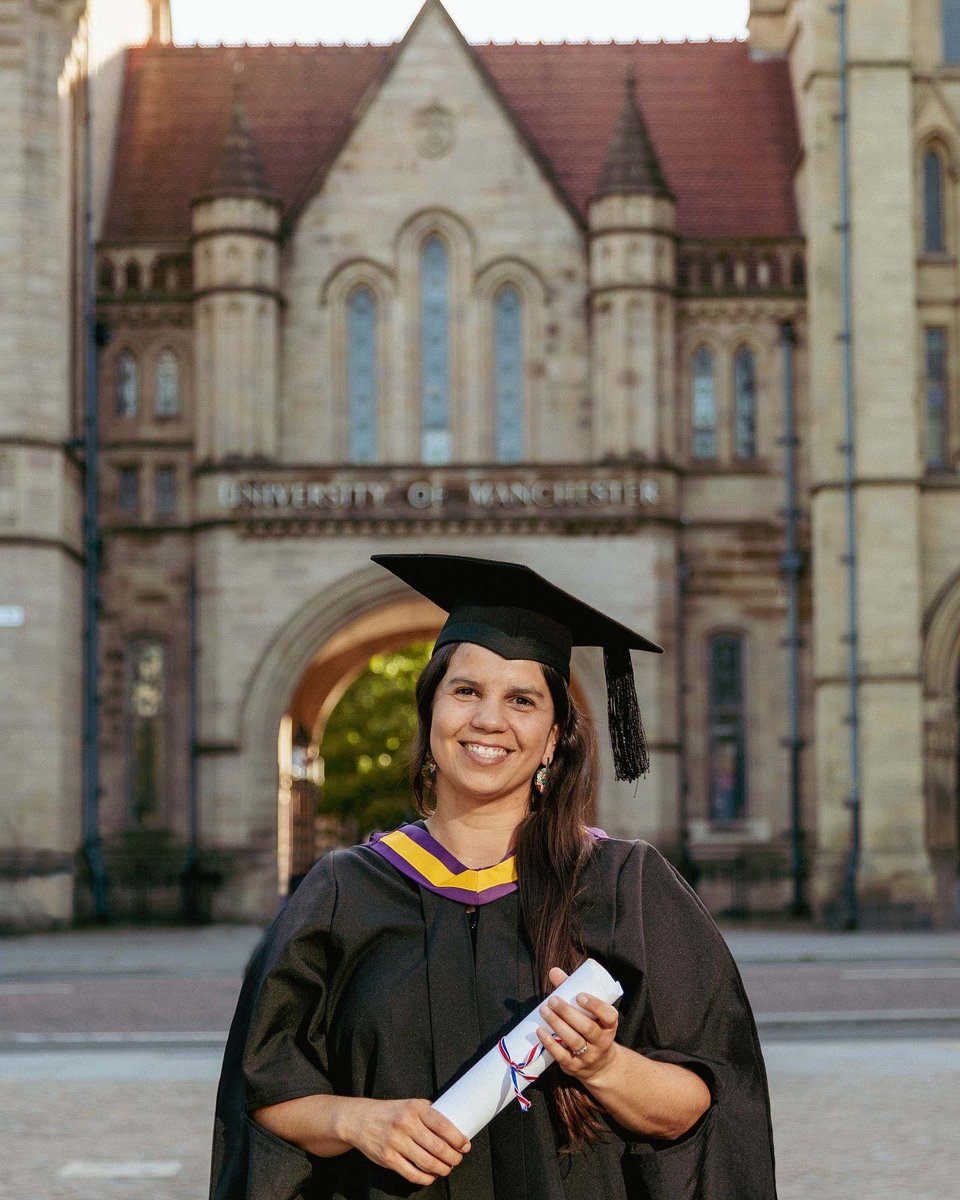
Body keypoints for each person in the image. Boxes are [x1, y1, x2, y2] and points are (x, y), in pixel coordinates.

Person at [210, 553, 778, 1200]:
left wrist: (603, 1064)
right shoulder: (343, 893)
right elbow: (263, 1092)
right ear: (430, 712)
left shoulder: (627, 886)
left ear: (554, 738)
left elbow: (702, 1103)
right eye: (465, 691)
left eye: (522, 700)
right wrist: (356, 1121)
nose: (488, 720)